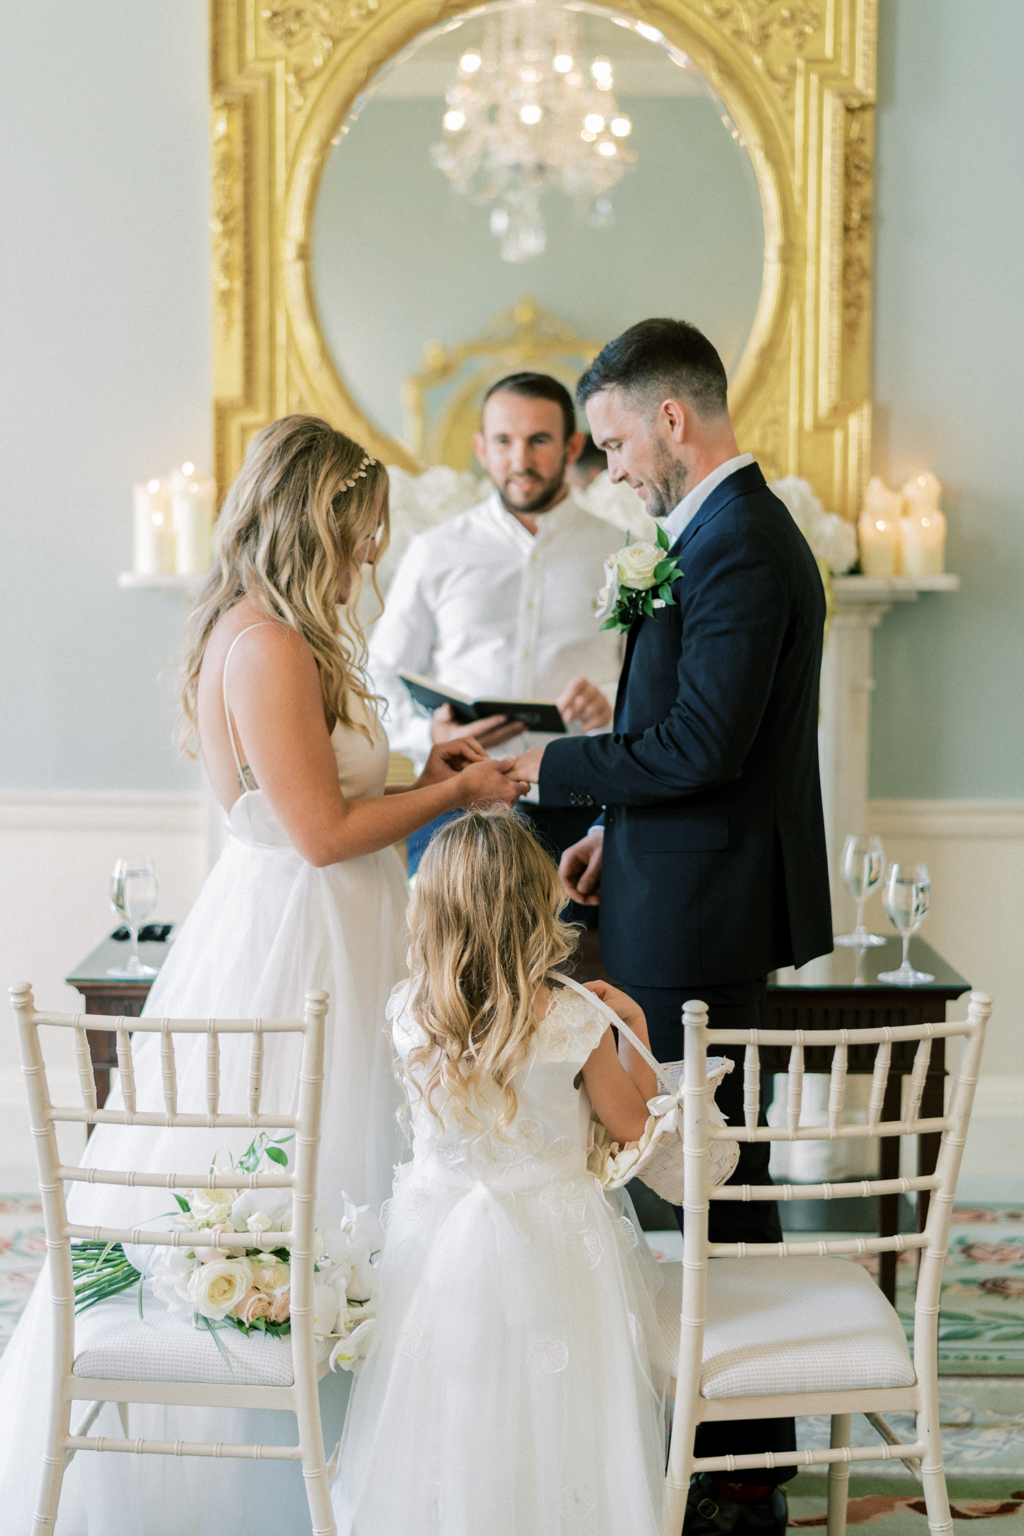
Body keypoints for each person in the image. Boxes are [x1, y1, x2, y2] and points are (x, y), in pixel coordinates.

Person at [0, 416, 525, 1536]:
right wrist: (457, 797)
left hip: (325, 919)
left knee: (357, 1171)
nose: (369, 558)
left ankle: (363, 1457)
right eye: (360, 533)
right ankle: (285, 1477)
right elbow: (323, 831)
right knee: (315, 1165)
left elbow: (319, 796)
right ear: (312, 521)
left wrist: (418, 764)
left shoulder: (276, 631)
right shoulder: (268, 645)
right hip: (303, 939)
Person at [511, 319, 833, 1536]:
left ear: (672, 419)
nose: (610, 468)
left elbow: (704, 746)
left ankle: (740, 1472)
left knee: (704, 1176)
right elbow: (701, 747)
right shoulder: (709, 534)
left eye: (611, 441)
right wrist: (618, 836)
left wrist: (560, 765)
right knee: (696, 1173)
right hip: (671, 879)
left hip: (701, 921)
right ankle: (721, 1440)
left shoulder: (743, 544)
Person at [331, 806, 668, 1536]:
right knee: (562, 1414)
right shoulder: (574, 1018)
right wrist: (634, 1030)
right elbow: (637, 1129)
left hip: (436, 1237)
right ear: (535, 904)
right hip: (559, 1244)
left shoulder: (408, 1013)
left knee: (449, 1400)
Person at [367, 372, 623, 893]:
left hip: (582, 807)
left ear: (573, 445)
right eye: (504, 442)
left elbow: (662, 687)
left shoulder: (623, 551)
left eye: (539, 440)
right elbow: (380, 680)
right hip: (455, 806)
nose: (520, 460)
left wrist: (614, 704)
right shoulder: (435, 552)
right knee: (443, 967)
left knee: (578, 971)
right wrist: (432, 737)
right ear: (481, 449)